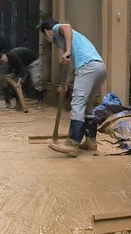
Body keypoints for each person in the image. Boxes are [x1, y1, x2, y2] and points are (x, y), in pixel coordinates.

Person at [41, 20, 107, 156]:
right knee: (88, 104)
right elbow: (78, 67)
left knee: (77, 104)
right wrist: (66, 83)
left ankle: (72, 143)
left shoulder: (57, 30)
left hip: (88, 68)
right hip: (99, 68)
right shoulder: (76, 39)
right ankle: (91, 140)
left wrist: (68, 51)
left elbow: (66, 26)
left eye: (46, 37)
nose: (49, 40)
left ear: (47, 32)